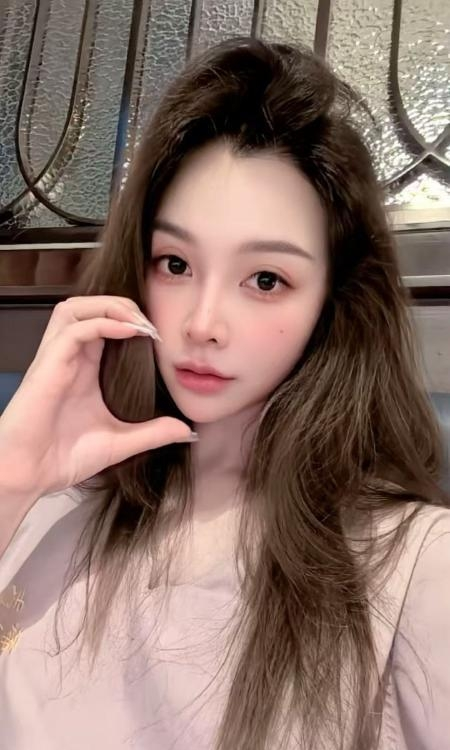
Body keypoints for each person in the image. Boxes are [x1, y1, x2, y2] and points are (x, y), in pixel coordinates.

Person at [0, 37, 449, 750]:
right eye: (175, 264)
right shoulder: (46, 507)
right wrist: (12, 476)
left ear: (333, 300)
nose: (203, 323)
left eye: (265, 279)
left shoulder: (415, 566)